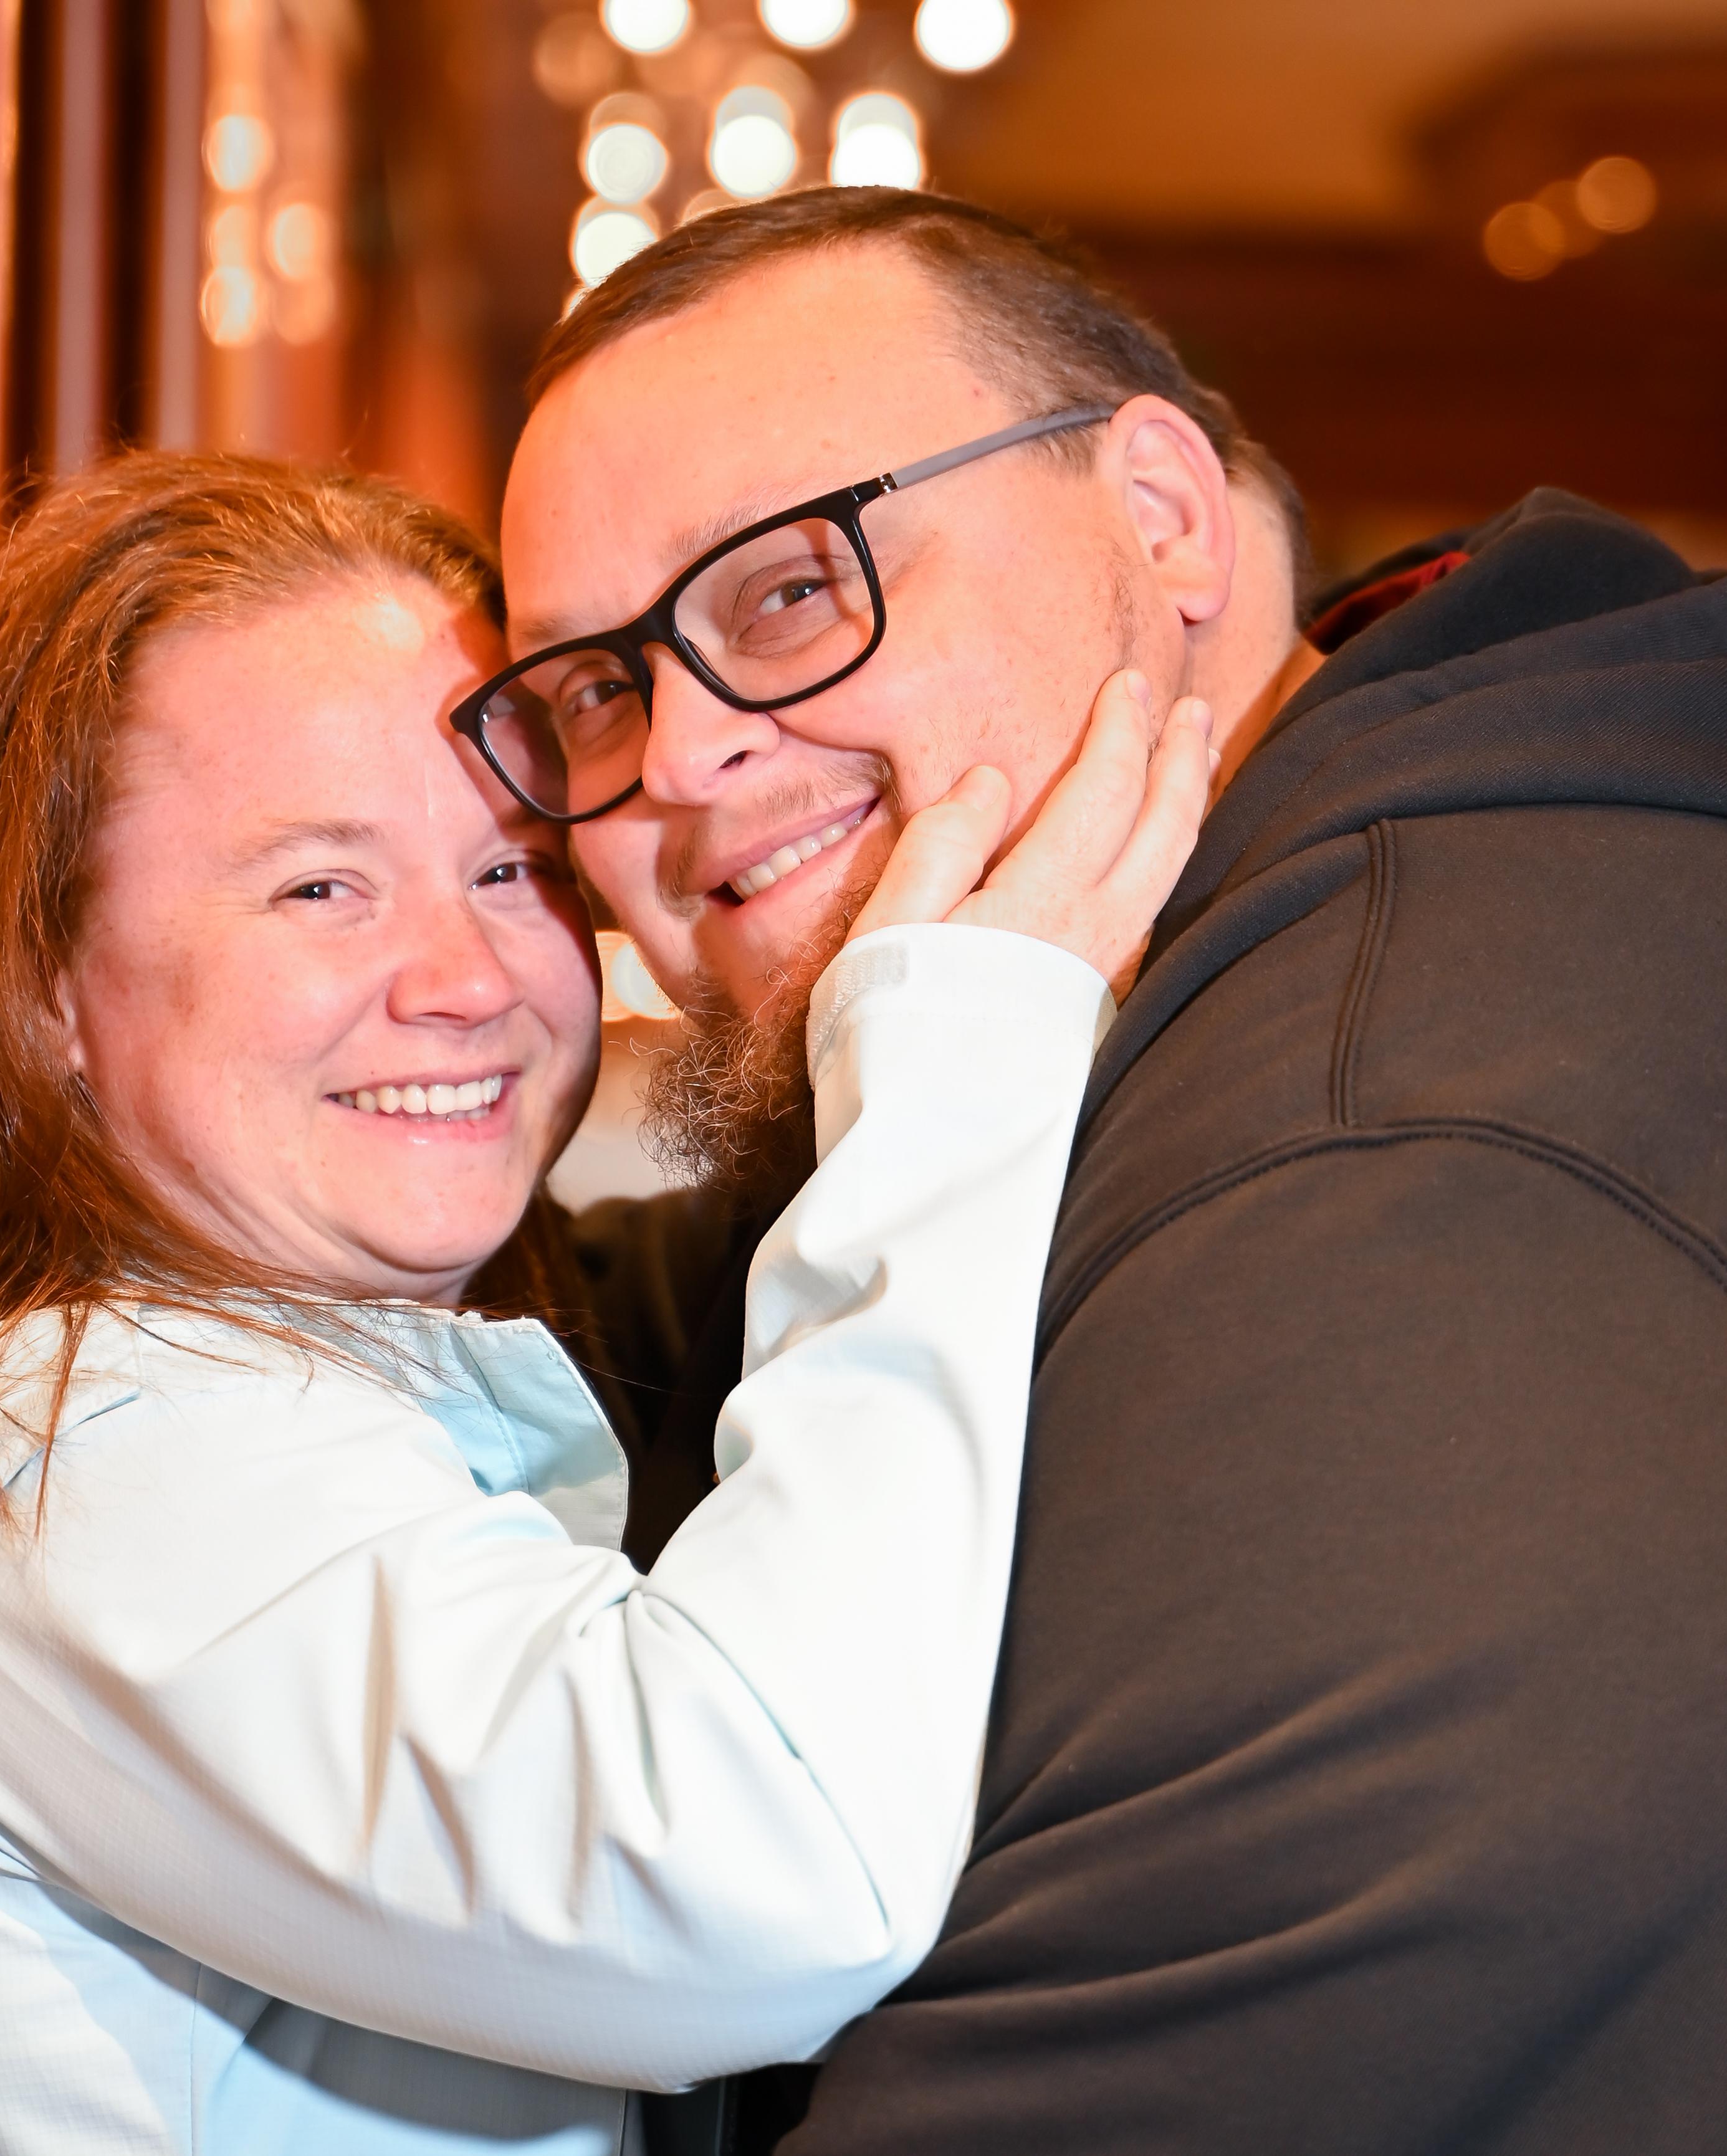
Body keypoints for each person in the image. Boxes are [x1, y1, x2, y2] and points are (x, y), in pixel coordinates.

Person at [474, 185, 1727, 2152]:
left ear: (1161, 518)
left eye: (787, 592)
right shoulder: (1163, 977)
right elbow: (673, 1341)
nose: (687, 758)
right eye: (599, 691)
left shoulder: (1379, 1154)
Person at [0, 441, 1212, 2152]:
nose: (464, 981)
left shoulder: (282, 1376)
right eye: (319, 885)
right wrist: (964, 1046)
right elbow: (760, 1870)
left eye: (514, 869)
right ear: (36, 985)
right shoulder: (88, 1459)